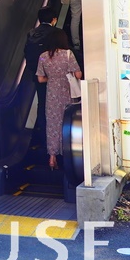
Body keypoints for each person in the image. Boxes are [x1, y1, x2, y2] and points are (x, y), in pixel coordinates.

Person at [35, 28, 82, 170]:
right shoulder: (68, 54)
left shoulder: (43, 56)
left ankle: (52, 156)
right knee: (67, 121)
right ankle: (68, 153)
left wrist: (52, 78)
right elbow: (78, 75)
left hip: (51, 93)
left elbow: (40, 79)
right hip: (67, 92)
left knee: (52, 124)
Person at [23, 7, 58, 145]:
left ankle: (42, 134)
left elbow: (26, 52)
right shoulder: (56, 33)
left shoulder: (32, 33)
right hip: (54, 76)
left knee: (42, 103)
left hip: (38, 75)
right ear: (54, 20)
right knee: (55, 104)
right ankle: (55, 135)